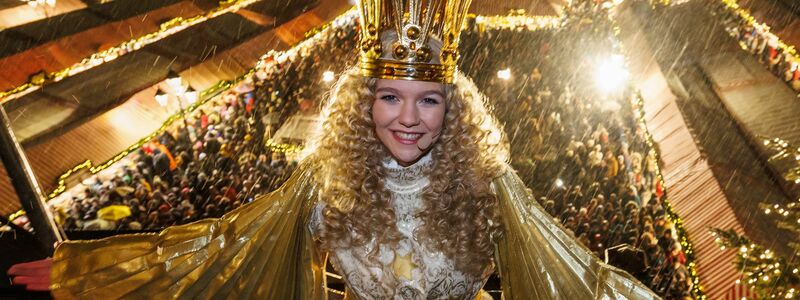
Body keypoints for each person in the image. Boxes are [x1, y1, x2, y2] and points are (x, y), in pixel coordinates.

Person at [9, 0, 660, 299]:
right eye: (390, 97)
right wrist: (83, 273)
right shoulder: (327, 186)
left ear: (453, 107)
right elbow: (222, 250)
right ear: (362, 102)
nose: (408, 118)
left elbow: (578, 276)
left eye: (427, 99)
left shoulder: (489, 185)